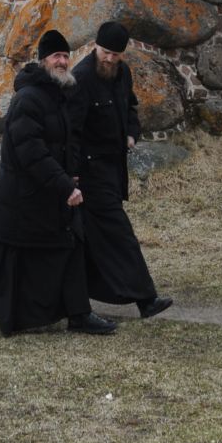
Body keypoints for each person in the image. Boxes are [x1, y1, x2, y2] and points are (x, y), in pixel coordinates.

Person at [0, 29, 115, 337]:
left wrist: (72, 173)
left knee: (69, 245)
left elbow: (63, 142)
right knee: (4, 252)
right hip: (24, 196)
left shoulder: (58, 96)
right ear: (42, 61)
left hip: (46, 191)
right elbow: (32, 152)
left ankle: (79, 314)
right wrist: (65, 186)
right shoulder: (28, 100)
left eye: (66, 56)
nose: (63, 61)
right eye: (56, 56)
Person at [69, 21, 172, 319]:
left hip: (113, 169)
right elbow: (71, 132)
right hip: (90, 172)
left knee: (88, 239)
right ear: (94, 46)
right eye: (105, 52)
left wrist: (131, 132)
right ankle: (146, 299)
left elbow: (130, 108)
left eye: (116, 54)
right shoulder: (82, 78)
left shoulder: (122, 72)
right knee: (120, 234)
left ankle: (74, 295)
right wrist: (72, 176)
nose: (109, 59)